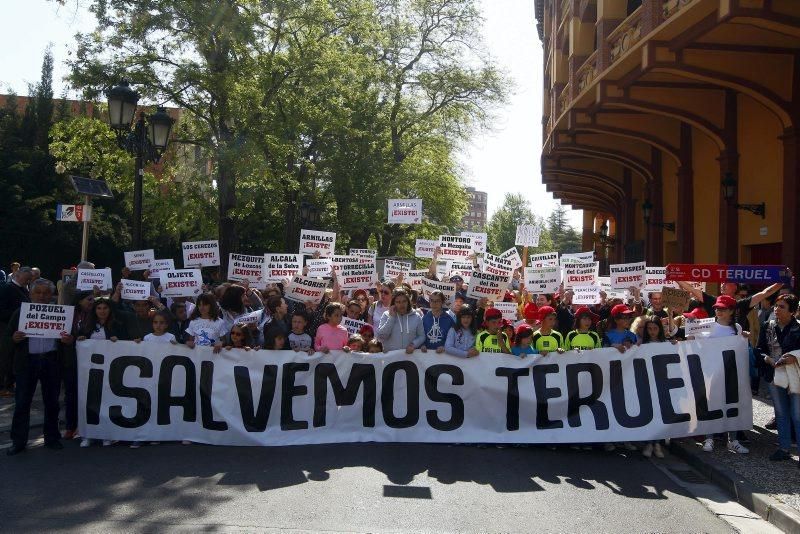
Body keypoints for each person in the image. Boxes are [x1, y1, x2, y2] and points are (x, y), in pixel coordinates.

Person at [5, 279, 73, 456]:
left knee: (52, 402)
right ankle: (18, 441)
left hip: (51, 361)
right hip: (27, 362)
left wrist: (68, 340)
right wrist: (15, 338)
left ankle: (52, 438)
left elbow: (70, 338)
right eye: (38, 292)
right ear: (31, 294)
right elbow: (6, 340)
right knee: (22, 402)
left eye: (46, 293)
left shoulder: (61, 314)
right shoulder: (20, 313)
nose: (42, 296)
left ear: (52, 295)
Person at [697, 295, 750, 454]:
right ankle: (709, 438)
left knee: (732, 404)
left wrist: (744, 338)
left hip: (731, 373)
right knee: (712, 404)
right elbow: (692, 340)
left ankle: (732, 440)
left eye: (723, 308)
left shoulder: (738, 328)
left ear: (732, 311)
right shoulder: (706, 325)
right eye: (717, 308)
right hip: (712, 372)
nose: (718, 311)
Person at [756, 294, 800, 464]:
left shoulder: (798, 328)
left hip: (794, 375)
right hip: (773, 374)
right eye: (776, 306)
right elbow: (759, 349)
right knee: (781, 413)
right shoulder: (768, 325)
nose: (776, 309)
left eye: (782, 307)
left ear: (793, 311)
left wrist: (794, 357)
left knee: (797, 414)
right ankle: (784, 448)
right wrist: (767, 359)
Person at [0, 266, 33, 396]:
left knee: (13, 357)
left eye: (29, 279)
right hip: (6, 328)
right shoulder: (7, 289)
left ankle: (9, 384)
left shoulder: (23, 289)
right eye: (27, 279)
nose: (28, 281)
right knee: (5, 357)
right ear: (18, 276)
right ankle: (3, 386)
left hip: (18, 328)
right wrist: (19, 314)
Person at [377, 289, 425, 353]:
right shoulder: (386, 315)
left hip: (410, 357)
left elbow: (421, 336)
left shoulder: (416, 316)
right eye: (398, 302)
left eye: (404, 301)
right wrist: (392, 318)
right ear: (393, 303)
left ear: (408, 302)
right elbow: (382, 336)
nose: (401, 304)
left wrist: (413, 344)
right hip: (391, 358)